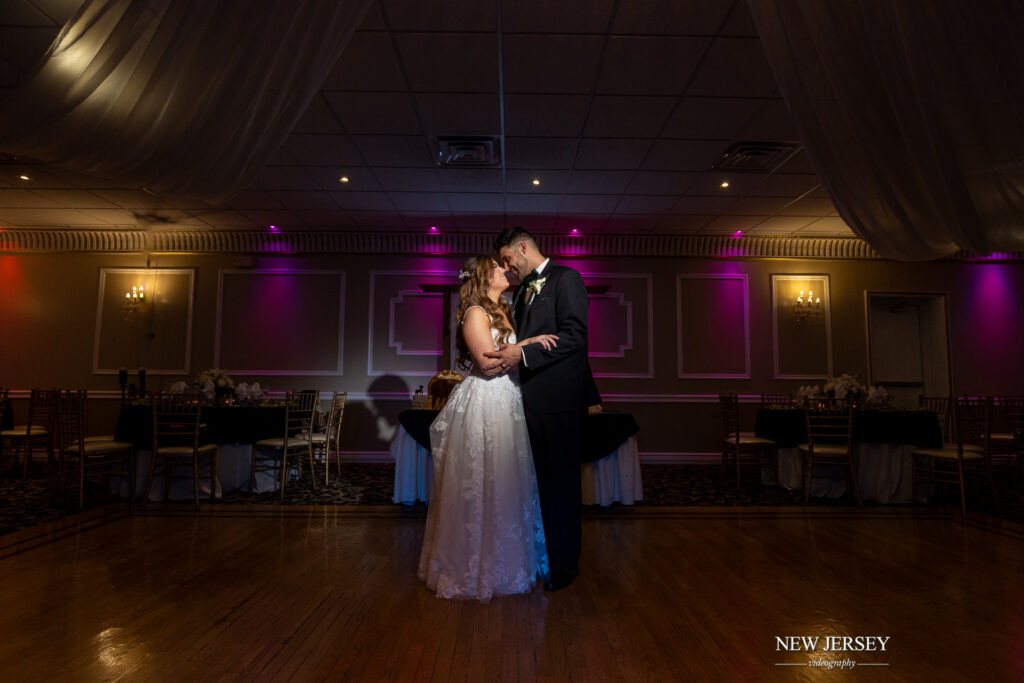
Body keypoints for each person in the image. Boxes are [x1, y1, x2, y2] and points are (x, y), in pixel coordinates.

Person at [417, 254, 558, 601]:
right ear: (483, 275)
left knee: (509, 482)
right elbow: (488, 364)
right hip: (485, 402)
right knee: (481, 481)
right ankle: (473, 568)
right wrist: (529, 344)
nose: (504, 269)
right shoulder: (475, 313)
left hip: (509, 402)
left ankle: (507, 565)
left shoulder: (504, 310)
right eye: (497, 266)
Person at [486, 227, 592, 592]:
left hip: (561, 402)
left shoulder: (567, 279)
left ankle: (565, 565)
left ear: (523, 247)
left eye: (507, 259)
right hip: (528, 403)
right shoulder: (520, 294)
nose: (507, 266)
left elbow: (575, 336)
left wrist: (522, 353)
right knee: (538, 485)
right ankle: (542, 557)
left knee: (561, 485)